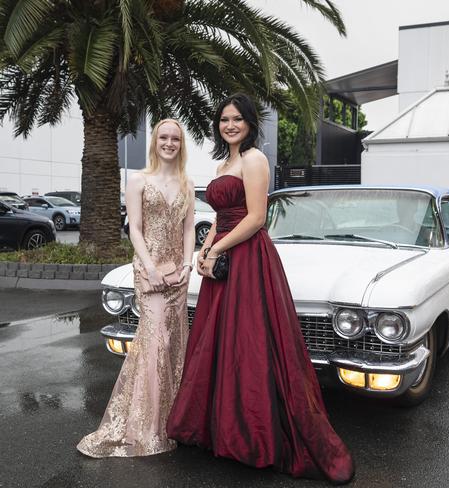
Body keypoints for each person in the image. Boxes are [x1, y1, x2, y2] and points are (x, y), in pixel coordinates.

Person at [166, 94, 354, 483]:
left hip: (249, 258)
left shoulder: (254, 160)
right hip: (224, 255)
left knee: (249, 340)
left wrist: (217, 247)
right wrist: (206, 245)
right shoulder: (222, 164)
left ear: (250, 123)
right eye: (223, 119)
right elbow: (222, 216)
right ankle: (218, 427)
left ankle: (253, 435)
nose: (230, 124)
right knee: (220, 341)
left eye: (237, 119)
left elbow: (255, 218)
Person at [77, 119, 196, 457]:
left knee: (175, 344)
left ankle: (173, 419)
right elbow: (135, 230)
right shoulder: (139, 180)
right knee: (155, 343)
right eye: (163, 137)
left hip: (178, 276)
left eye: (175, 138)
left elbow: (189, 231)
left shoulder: (187, 183)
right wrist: (149, 268)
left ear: (180, 144)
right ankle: (147, 428)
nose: (169, 143)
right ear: (155, 142)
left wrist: (188, 266)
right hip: (150, 274)